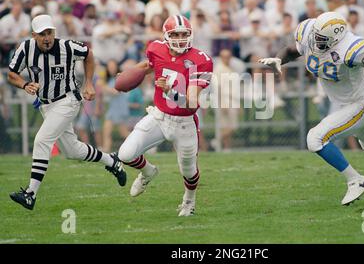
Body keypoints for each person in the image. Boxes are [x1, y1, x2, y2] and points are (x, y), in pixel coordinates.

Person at [259, 11, 364, 205]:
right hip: (343, 103)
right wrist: (278, 60)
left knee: (315, 138)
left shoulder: (351, 48)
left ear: (336, 37)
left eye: (322, 39)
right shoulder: (309, 32)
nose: (317, 42)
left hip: (360, 103)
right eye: (316, 36)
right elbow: (292, 51)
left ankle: (356, 180)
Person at [7, 14, 127, 210]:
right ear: (33, 35)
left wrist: (88, 83)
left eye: (49, 33)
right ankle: (111, 161)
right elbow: (12, 73)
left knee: (42, 140)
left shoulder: (67, 47)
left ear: (54, 32)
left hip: (67, 100)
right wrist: (25, 84)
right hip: (46, 105)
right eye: (42, 34)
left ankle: (30, 193)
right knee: (72, 150)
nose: (46, 38)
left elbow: (89, 53)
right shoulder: (26, 48)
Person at [117, 14, 213, 217]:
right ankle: (148, 171)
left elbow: (192, 102)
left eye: (184, 34)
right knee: (125, 154)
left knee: (188, 170)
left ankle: (189, 201)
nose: (180, 38)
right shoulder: (156, 48)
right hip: (160, 116)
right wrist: (127, 75)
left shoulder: (201, 60)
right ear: (166, 36)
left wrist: (172, 92)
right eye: (175, 34)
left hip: (184, 123)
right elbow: (149, 66)